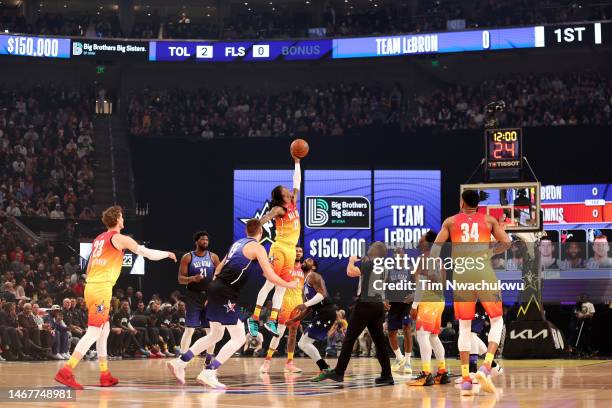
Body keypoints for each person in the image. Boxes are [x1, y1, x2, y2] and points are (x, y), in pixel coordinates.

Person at [54, 205, 177, 389]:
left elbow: (88, 268)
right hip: (101, 288)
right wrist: (167, 254)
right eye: (121, 216)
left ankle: (105, 374)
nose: (123, 219)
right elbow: (146, 253)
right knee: (94, 331)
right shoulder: (119, 238)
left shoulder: (98, 239)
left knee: (104, 329)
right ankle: (66, 371)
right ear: (117, 219)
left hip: (92, 286)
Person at [167, 219, 297, 389]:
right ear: (261, 233)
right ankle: (209, 372)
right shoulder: (257, 247)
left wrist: (212, 291)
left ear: (246, 232)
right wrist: (289, 285)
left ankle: (180, 362)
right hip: (226, 292)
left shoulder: (237, 244)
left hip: (215, 288)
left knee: (215, 334)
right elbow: (270, 276)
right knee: (239, 338)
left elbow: (219, 267)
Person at [431, 190, 511, 396]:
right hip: (483, 270)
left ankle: (466, 378)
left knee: (465, 327)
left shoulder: (450, 222)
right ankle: (486, 366)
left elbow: (435, 249)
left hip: (462, 273)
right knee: (496, 320)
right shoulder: (489, 220)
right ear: (478, 204)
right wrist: (490, 251)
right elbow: (507, 242)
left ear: (461, 202)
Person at [317, 242, 394, 385]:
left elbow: (350, 272)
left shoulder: (371, 263)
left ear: (376, 251)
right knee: (380, 342)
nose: (369, 249)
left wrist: (351, 260)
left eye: (371, 248)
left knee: (350, 337)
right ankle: (387, 375)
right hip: (378, 306)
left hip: (365, 304)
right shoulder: (385, 267)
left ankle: (339, 372)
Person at [248, 155, 302, 337]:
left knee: (282, 287)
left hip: (290, 251)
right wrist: (256, 226)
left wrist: (297, 162)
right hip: (279, 248)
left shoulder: (293, 202)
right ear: (282, 196)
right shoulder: (279, 209)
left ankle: (272, 319)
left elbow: (297, 182)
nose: (290, 191)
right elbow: (266, 218)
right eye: (286, 191)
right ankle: (254, 318)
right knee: (270, 284)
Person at [408, 231, 450, 386]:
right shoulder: (439, 260)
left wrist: (414, 306)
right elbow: (444, 284)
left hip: (428, 301)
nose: (419, 239)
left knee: (422, 335)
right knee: (433, 337)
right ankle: (442, 372)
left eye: (422, 237)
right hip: (440, 300)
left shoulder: (423, 259)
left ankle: (426, 374)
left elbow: (421, 284)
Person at [288, 257, 337, 380]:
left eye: (309, 260)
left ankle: (325, 368)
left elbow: (322, 295)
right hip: (320, 313)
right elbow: (308, 309)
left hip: (326, 311)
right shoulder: (304, 284)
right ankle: (325, 368)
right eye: (304, 260)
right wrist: (294, 320)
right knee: (304, 343)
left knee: (303, 343)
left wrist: (305, 304)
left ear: (313, 266)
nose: (305, 261)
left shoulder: (313, 275)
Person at [260, 246, 306, 374]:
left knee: (293, 333)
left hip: (298, 303)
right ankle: (267, 362)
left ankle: (289, 363)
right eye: (296, 250)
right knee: (279, 332)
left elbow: (304, 288)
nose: (298, 252)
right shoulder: (285, 266)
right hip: (285, 301)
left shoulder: (304, 268)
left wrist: (304, 304)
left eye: (300, 251)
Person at [178, 231, 220, 369]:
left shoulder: (213, 257)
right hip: (193, 296)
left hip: (209, 296)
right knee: (190, 329)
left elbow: (220, 277)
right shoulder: (188, 257)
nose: (205, 241)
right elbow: (180, 279)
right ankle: (182, 359)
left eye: (207, 239)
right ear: (196, 241)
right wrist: (192, 279)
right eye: (202, 239)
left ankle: (208, 360)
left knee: (211, 331)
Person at [385, 247, 413, 375]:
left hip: (406, 303)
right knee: (391, 332)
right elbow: (384, 284)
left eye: (400, 253)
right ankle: (399, 357)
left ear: (404, 255)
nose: (398, 255)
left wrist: (413, 295)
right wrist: (384, 299)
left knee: (407, 329)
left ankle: (407, 361)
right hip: (393, 304)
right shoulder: (389, 269)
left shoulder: (410, 268)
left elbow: (417, 284)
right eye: (396, 253)